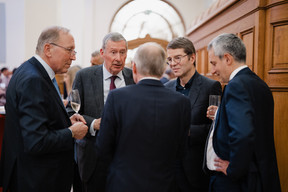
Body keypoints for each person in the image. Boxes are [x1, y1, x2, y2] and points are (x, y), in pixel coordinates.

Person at [0, 26, 88, 192]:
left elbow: (37, 121)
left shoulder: (29, 71)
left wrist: (65, 122)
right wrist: (71, 132)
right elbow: (36, 140)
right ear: (48, 49)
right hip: (36, 179)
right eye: (69, 50)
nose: (73, 57)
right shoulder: (34, 80)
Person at [95, 42, 191, 192]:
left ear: (134, 67)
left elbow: (103, 148)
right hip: (165, 185)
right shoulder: (182, 102)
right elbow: (182, 151)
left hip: (124, 184)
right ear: (162, 69)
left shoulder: (117, 97)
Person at [204, 33, 281, 191]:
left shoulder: (236, 86)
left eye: (213, 63)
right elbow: (253, 121)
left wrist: (233, 170)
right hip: (258, 175)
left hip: (237, 182)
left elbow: (243, 134)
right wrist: (221, 114)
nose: (212, 71)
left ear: (227, 58)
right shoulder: (259, 83)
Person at [66, 32, 135, 191]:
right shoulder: (84, 76)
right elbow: (71, 111)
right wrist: (93, 124)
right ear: (103, 53)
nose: (118, 58)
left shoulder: (133, 77)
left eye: (122, 52)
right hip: (93, 157)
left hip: (127, 158)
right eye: (113, 52)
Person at [165, 37, 222, 192]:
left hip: (195, 169)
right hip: (168, 168)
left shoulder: (211, 86)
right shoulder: (166, 88)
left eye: (178, 58)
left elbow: (216, 128)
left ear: (192, 57)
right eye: (169, 59)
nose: (173, 63)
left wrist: (189, 131)